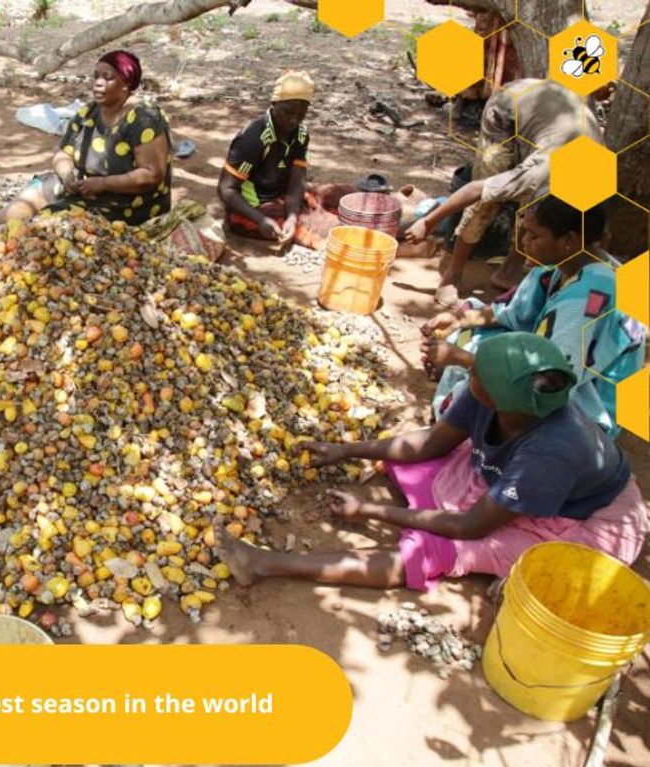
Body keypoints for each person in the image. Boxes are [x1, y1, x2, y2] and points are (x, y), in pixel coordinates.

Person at [216, 333, 647, 592]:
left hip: (584, 526)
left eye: (475, 373)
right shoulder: (501, 400)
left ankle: (264, 563)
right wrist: (346, 449)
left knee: (431, 550)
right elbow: (429, 444)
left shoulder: (552, 450)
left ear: (499, 395)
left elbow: (470, 527)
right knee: (412, 464)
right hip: (522, 485)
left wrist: (369, 510)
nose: (467, 374)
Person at [421, 196, 645, 437]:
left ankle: (458, 430)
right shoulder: (564, 264)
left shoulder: (585, 299)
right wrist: (459, 320)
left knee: (478, 388)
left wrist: (463, 359)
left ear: (569, 240)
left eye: (534, 235)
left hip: (581, 407)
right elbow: (511, 314)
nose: (525, 242)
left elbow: (550, 384)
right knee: (470, 323)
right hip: (554, 362)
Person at [405, 79, 602, 306]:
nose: (528, 239)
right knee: (485, 202)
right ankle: (453, 274)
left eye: (533, 237)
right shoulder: (535, 177)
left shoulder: (596, 192)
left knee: (531, 218)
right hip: (508, 105)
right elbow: (476, 189)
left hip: (554, 117)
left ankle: (508, 271)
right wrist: (427, 223)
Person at [0, 50, 172, 235]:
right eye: (96, 76)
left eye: (108, 78)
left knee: (54, 222)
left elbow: (151, 174)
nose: (98, 83)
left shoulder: (144, 119)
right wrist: (67, 175)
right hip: (88, 187)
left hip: (130, 202)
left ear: (126, 84)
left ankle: (12, 237)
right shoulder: (88, 113)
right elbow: (63, 153)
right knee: (43, 186)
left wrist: (102, 184)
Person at [217, 71, 351, 251]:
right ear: (274, 104)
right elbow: (226, 189)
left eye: (300, 114)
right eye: (287, 112)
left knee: (343, 194)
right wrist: (260, 219)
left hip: (282, 195)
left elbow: (297, 182)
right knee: (320, 227)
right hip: (255, 207)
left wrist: (292, 217)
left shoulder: (300, 135)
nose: (293, 120)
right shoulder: (253, 138)